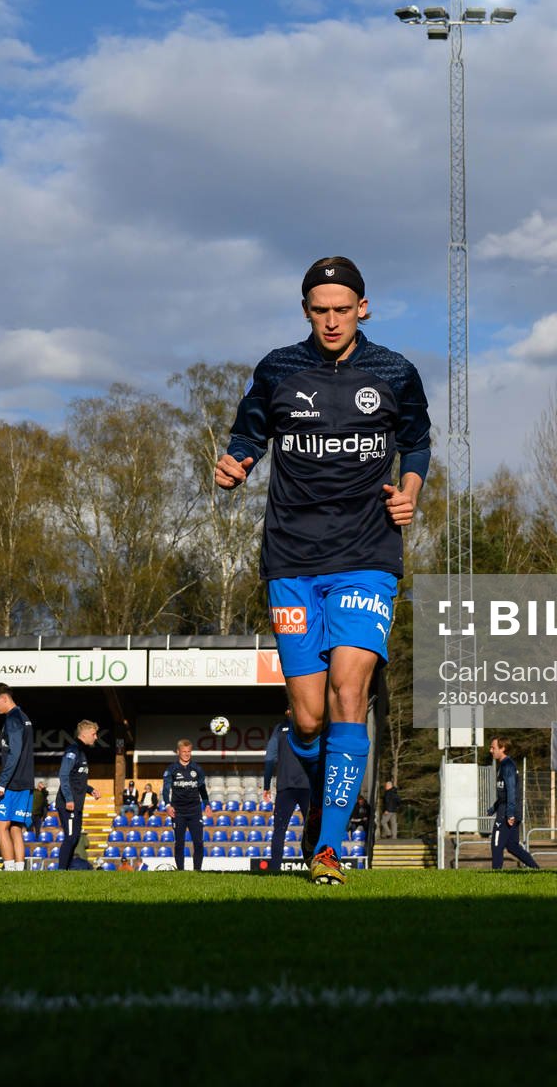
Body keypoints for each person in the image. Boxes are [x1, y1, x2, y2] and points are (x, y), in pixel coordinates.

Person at [217, 256, 431, 886]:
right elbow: (247, 433)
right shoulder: (279, 368)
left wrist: (410, 488)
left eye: (343, 309)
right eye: (320, 310)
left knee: (349, 691)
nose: (332, 320)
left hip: (368, 556)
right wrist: (237, 463)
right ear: (305, 311)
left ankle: (330, 848)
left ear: (363, 308)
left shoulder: (395, 372)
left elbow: (416, 440)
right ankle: (318, 813)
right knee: (307, 716)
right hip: (291, 557)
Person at [0, 684, 34, 870]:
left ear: (4, 698)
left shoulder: (13, 719)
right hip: (25, 781)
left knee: (0, 827)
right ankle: (18, 871)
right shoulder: (24, 717)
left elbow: (14, 753)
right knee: (16, 828)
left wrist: (2, 783)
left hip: (13, 783)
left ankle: (8, 871)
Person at [262, 709, 313, 863]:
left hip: (286, 787)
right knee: (313, 829)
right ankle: (315, 866)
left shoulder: (279, 729)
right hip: (307, 787)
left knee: (279, 830)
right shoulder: (311, 727)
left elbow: (270, 759)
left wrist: (266, 786)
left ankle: (275, 869)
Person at [487, 737, 539, 870]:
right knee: (512, 846)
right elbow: (504, 793)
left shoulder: (508, 765)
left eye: (493, 747)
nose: (490, 750)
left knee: (497, 844)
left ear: (502, 748)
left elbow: (511, 791)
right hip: (508, 808)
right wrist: (494, 807)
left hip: (507, 811)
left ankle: (495, 876)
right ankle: (536, 868)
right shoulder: (503, 765)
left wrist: (509, 814)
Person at [56, 720, 100, 871]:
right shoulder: (73, 750)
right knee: (70, 838)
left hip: (77, 804)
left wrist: (90, 789)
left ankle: (66, 871)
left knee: (74, 839)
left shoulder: (82, 752)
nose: (96, 737)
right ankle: (61, 872)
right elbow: (63, 775)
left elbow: (76, 778)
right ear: (85, 733)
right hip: (69, 803)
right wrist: (68, 798)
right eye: (94, 734)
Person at [163, 740, 210, 871]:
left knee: (199, 843)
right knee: (179, 843)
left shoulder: (197, 769)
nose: (186, 754)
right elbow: (166, 789)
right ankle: (180, 871)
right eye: (184, 751)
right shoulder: (171, 769)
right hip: (178, 811)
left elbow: (202, 788)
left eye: (189, 751)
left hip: (195, 810)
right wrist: (167, 805)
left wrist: (207, 804)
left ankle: (197, 871)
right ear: (178, 752)